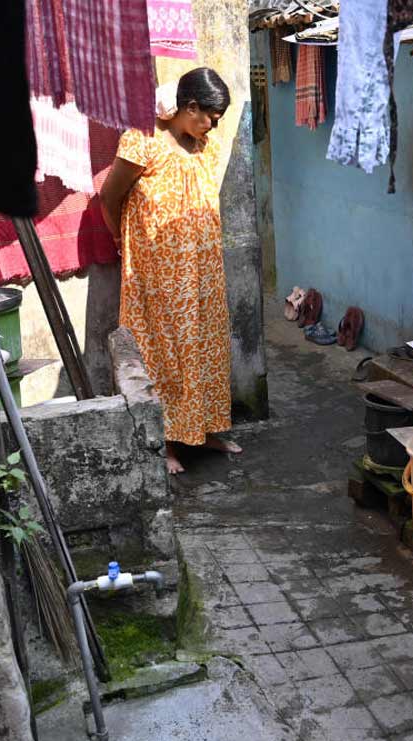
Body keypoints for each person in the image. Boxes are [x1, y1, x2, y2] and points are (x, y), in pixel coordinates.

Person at [101, 67, 241, 475]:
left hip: (203, 272)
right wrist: (121, 244)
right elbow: (110, 200)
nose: (213, 126)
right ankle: (166, 442)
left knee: (205, 347)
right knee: (163, 354)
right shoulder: (143, 143)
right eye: (209, 116)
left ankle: (204, 429)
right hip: (156, 275)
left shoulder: (205, 147)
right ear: (189, 107)